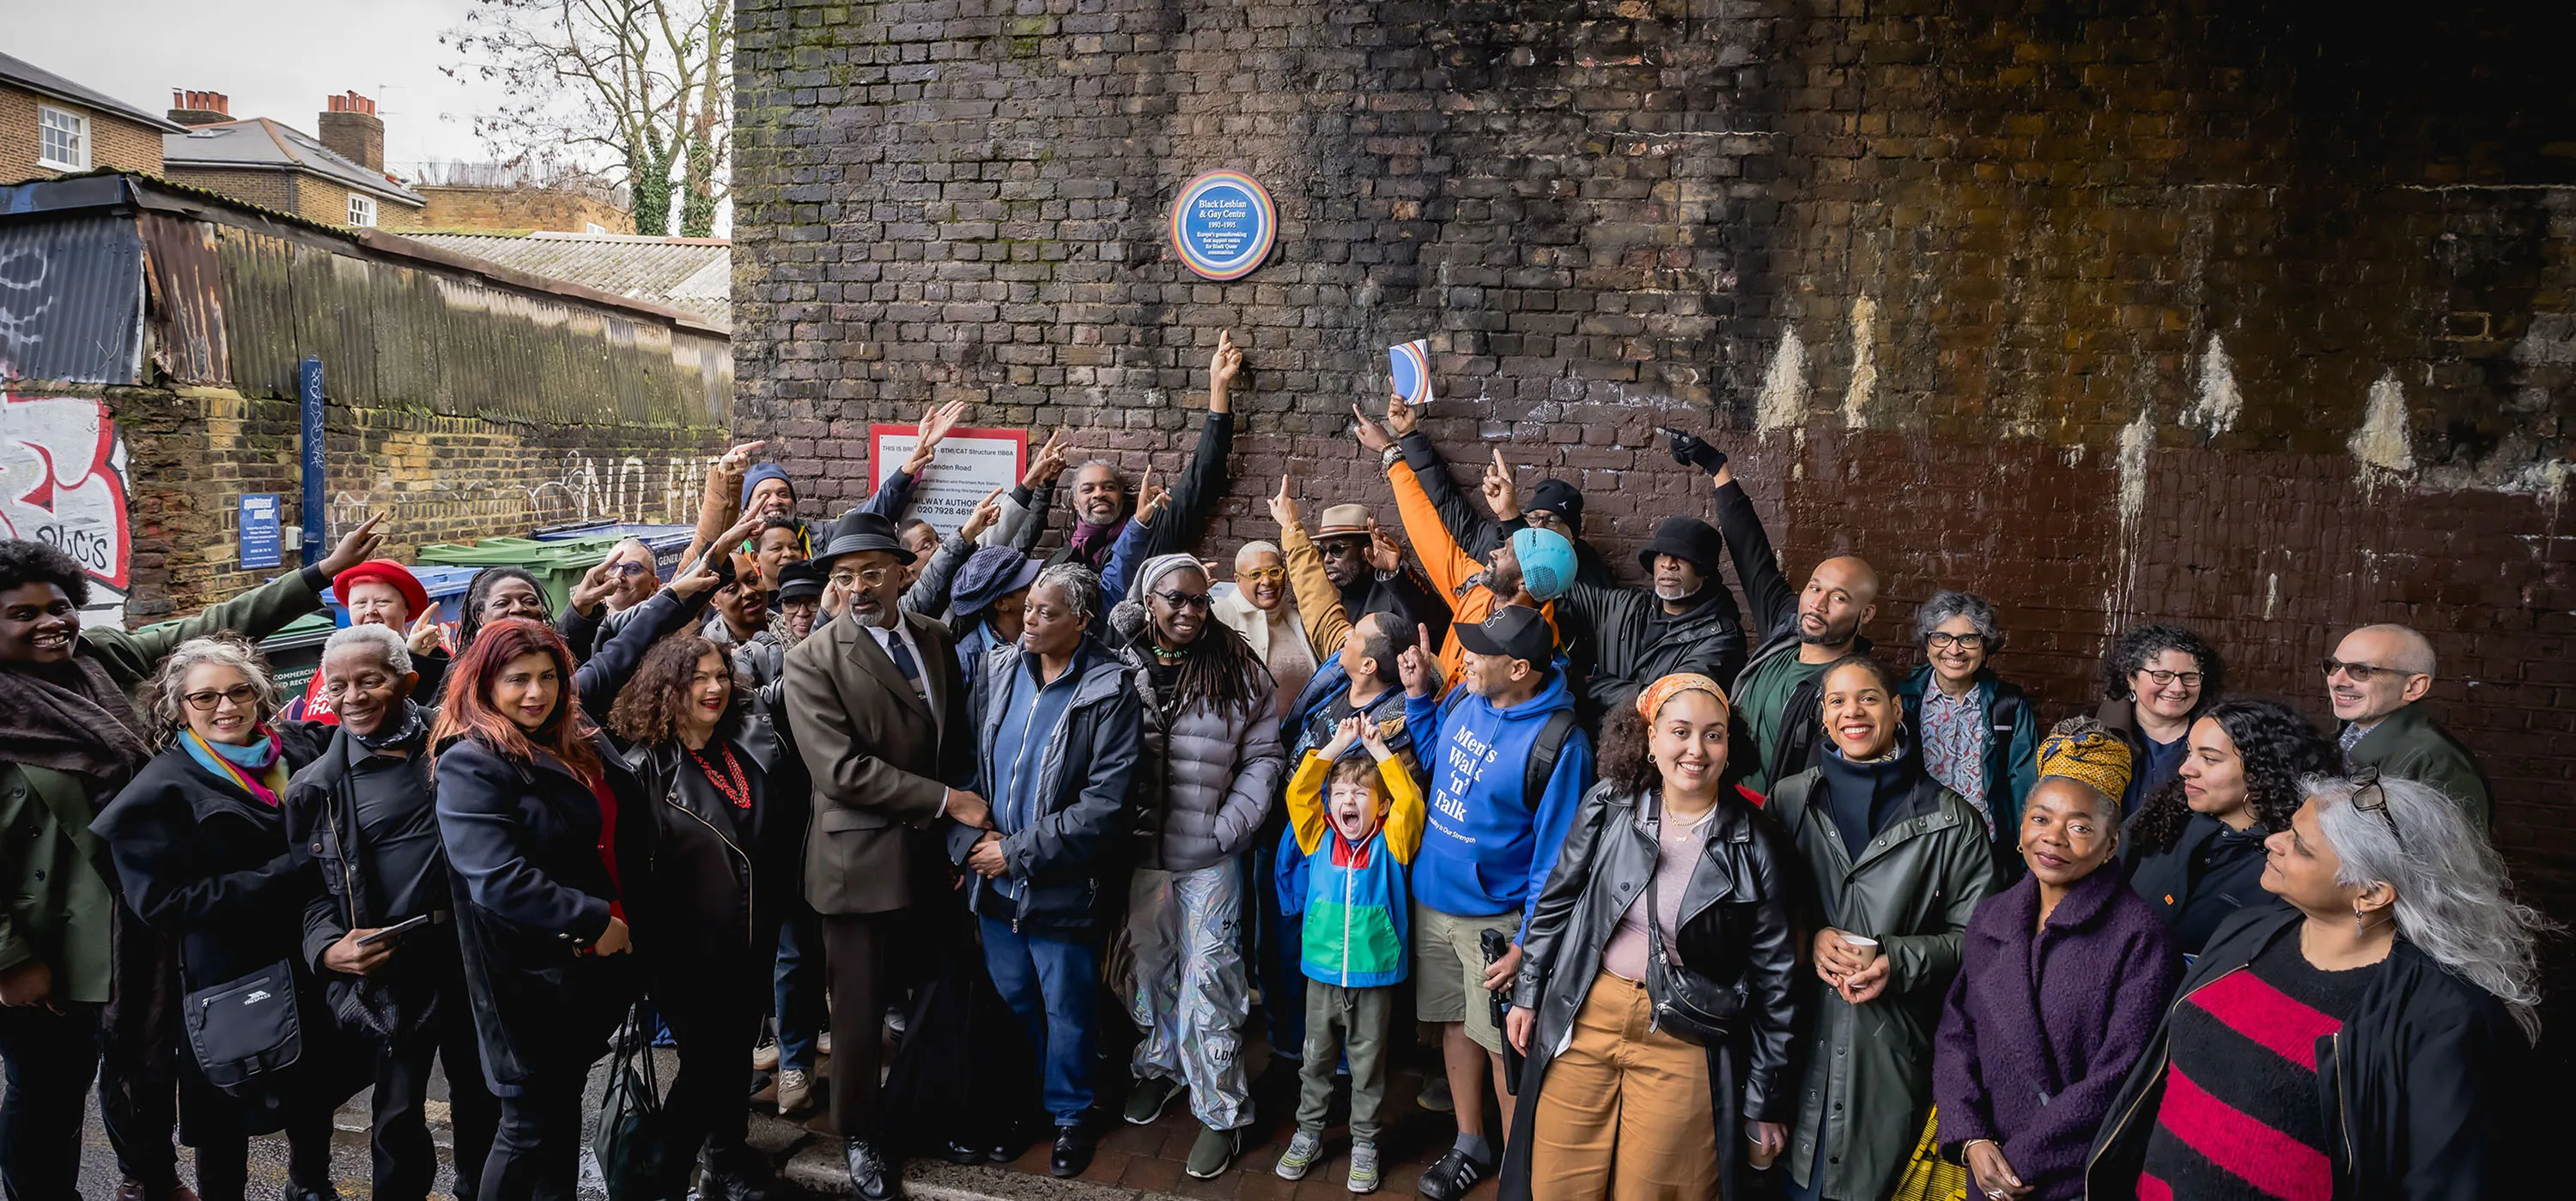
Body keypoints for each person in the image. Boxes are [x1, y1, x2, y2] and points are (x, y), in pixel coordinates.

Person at [1, 518, 380, 1201]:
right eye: (20, 613)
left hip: (134, 919)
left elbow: (208, 627)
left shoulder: (97, 659)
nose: (50, 622)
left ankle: (145, 1177)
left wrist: (317, 575)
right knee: (46, 1094)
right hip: (48, 938)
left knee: (138, 1060)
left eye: (58, 604)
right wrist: (9, 959)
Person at [2087, 773, 2546, 1198]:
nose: (2272, 840)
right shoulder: (2244, 932)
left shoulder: (2446, 1017)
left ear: (2370, 892)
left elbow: (2447, 1181)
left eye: (2302, 846)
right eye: (2289, 827)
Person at [432, 546, 724, 1200]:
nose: (535, 692)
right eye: (517, 680)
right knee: (528, 1124)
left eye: (547, 677)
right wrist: (596, 919)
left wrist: (678, 598)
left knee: (559, 1107)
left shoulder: (569, 730)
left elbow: (620, 657)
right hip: (524, 981)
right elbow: (496, 877)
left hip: (587, 972)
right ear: (486, 685)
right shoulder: (470, 762)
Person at [1501, 674, 1798, 1201]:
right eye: (1680, 731)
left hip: (1685, 1035)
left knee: (1657, 1190)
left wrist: (1764, 1099)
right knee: (1557, 1184)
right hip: (1588, 1010)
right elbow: (1555, 903)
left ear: (1731, 747)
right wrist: (1528, 991)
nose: (1695, 749)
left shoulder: (1757, 842)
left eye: (1714, 734)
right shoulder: (1610, 805)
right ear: (1650, 737)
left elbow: (1777, 982)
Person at [92, 637, 342, 1201]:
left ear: (261, 694)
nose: (225, 707)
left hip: (307, 954)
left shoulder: (297, 748)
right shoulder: (160, 789)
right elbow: (162, 903)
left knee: (313, 1090)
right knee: (227, 1107)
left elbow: (382, 726)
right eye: (205, 697)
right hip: (225, 972)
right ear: (178, 706)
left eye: (239, 691)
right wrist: (289, 870)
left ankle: (310, 1185)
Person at [781, 511, 981, 1201]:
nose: (859, 588)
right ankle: (861, 1134)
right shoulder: (811, 658)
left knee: (946, 989)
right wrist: (947, 801)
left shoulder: (934, 636)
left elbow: (955, 738)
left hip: (934, 857)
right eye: (844, 577)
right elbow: (840, 771)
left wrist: (959, 827)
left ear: (902, 572)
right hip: (856, 861)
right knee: (861, 1011)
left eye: (871, 572)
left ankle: (926, 1110)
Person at [1765, 655, 1998, 1201]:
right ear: (1823, 717)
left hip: (1890, 1050)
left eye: (1868, 698)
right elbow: (1761, 911)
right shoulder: (1792, 799)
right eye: (1838, 701)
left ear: (1896, 709)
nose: (1853, 712)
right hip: (1796, 1039)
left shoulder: (1951, 821)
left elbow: (1980, 942)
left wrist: (1897, 959)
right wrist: (1812, 933)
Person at [283, 624, 500, 1201]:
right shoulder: (316, 786)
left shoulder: (461, 743)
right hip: (394, 971)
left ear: (406, 681)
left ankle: (477, 1188)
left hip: (474, 956)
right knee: (398, 1112)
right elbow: (305, 891)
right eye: (339, 685)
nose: (353, 696)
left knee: (482, 1092)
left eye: (370, 680)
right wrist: (326, 946)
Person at [1932, 719, 2180, 1201]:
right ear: (2022, 826)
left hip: (2072, 1178)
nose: (2054, 838)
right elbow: (1956, 1031)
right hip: (1985, 1165)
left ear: (2112, 845)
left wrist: (2021, 1164)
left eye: (2080, 826)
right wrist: (1971, 1138)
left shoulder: (2140, 938)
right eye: (2041, 818)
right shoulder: (1993, 917)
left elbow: (2122, 1075)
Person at [1396, 604, 1594, 1201]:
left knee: (1505, 1050)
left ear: (1521, 667)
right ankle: (1469, 1141)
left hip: (1496, 923)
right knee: (1457, 1023)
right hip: (1436, 901)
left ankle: (1517, 1170)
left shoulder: (1560, 741)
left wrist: (1529, 944)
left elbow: (1557, 862)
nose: (1468, 658)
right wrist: (1417, 699)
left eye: (1481, 652)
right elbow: (1437, 766)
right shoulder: (1463, 698)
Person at [957, 563, 1144, 1178]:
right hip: (994, 881)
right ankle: (1027, 1104)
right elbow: (967, 763)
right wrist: (969, 843)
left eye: (1046, 611)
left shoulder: (1110, 691)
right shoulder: (999, 669)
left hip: (1062, 885)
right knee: (1014, 1001)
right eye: (1029, 607)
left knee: (1068, 1006)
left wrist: (1016, 850)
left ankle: (1070, 1114)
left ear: (1082, 622)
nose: (1029, 619)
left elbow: (1105, 805)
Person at [611, 632, 810, 1200]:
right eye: (697, 678)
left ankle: (726, 1159)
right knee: (707, 1067)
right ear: (665, 687)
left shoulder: (743, 742)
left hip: (751, 938)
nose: (714, 687)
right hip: (685, 953)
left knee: (730, 1061)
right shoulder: (643, 768)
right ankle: (663, 1172)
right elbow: (633, 876)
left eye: (720, 674)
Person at [1109, 554, 1285, 1179]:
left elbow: (1266, 752)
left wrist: (1230, 825)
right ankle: (1161, 1066)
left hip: (1209, 855)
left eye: (1198, 600)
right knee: (1148, 972)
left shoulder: (1236, 665)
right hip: (1139, 855)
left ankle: (1222, 1110)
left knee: (1211, 981)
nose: (1188, 611)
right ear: (1149, 599)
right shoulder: (1118, 657)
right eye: (1174, 599)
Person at [1270, 716, 1428, 1194]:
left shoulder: (1392, 842)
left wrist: (1381, 754)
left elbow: (1412, 803)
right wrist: (1334, 748)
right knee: (1315, 1059)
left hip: (1373, 976)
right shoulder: (1317, 837)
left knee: (1367, 1064)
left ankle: (1364, 1142)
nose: (1348, 801)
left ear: (1379, 806)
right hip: (1321, 973)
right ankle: (1309, 1133)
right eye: (1339, 794)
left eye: (1361, 794)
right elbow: (1299, 794)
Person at [1699, 443, 1881, 791]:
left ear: (1865, 613)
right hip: (1723, 809)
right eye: (1814, 589)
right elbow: (1752, 555)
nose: (1819, 604)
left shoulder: (1850, 689)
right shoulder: (1785, 628)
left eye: (1839, 598)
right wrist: (1717, 468)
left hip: (1775, 827)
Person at [2123, 699, 2336, 956]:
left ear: (2259, 771)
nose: (2185, 769)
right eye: (2189, 752)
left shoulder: (2283, 862)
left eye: (2209, 759)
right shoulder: (2162, 816)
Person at [1524, 484, 1749, 720]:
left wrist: (1589, 684)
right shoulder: (1631, 606)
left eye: (1682, 557)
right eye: (1661, 554)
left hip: (1654, 753)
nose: (1668, 564)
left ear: (1705, 572)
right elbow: (1552, 584)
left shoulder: (1720, 639)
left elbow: (1669, 701)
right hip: (1600, 744)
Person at [1356, 393, 1617, 588]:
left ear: (1572, 537)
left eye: (1552, 520)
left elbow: (1537, 583)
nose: (1539, 526)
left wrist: (1511, 516)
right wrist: (1408, 435)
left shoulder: (1588, 576)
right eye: (1533, 518)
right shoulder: (1497, 547)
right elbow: (1447, 503)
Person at [1050, 334, 1241, 573]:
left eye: (1108, 487)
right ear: (1076, 503)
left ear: (1122, 495)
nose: (1099, 494)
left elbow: (1202, 475)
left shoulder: (1154, 530)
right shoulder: (1064, 561)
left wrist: (1219, 386)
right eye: (1088, 489)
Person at [1895, 591, 2040, 861]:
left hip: (1984, 850)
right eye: (1941, 637)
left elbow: (2025, 786)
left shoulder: (2007, 705)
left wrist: (2023, 857)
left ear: (1985, 647)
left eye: (1969, 639)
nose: (1954, 649)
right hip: (1913, 847)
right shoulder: (1901, 700)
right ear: (1926, 645)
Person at [2324, 622, 2490, 826]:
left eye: (2361, 670)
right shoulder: (2342, 738)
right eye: (2334, 666)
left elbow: (2449, 855)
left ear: (2413, 687)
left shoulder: (2436, 765)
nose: (2336, 680)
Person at [284, 558, 449, 721]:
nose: (370, 610)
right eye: (360, 603)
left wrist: (416, 659)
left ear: (406, 608)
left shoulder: (434, 659)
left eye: (382, 602)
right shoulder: (332, 660)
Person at [2096, 623, 2226, 815]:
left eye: (2189, 677)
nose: (2177, 688)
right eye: (2162, 676)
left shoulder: (2223, 735)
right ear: (2132, 678)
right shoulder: (2093, 730)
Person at [1308, 500, 1447, 648]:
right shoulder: (1332, 601)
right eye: (1323, 551)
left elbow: (1433, 619)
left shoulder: (1398, 594)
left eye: (1337, 550)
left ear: (1365, 552)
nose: (1328, 559)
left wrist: (1396, 573)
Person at [1212, 540, 1316, 723]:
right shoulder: (1221, 614)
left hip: (1298, 742)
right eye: (1255, 575)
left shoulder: (1296, 620)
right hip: (1249, 742)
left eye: (1274, 572)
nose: (1267, 581)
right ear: (1238, 580)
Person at [946, 545, 1042, 704]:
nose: (1035, 589)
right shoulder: (968, 658)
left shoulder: (1045, 635)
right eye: (1026, 587)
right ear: (1001, 604)